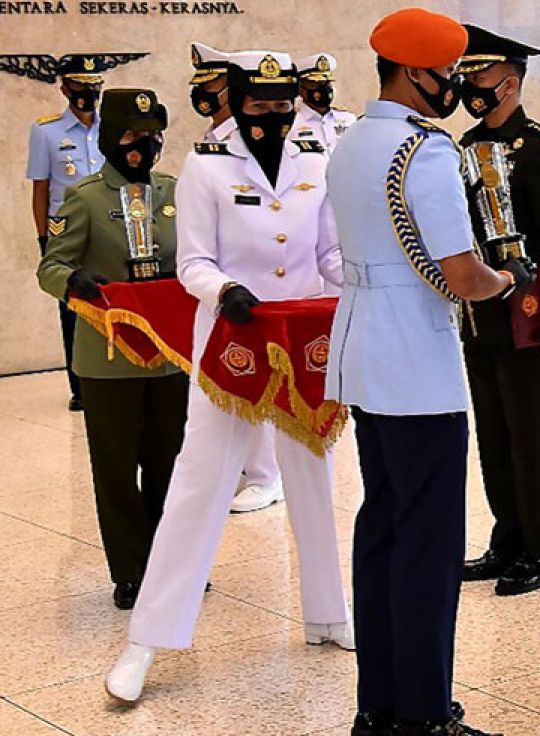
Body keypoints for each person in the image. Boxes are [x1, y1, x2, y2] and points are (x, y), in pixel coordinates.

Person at [105, 49, 353, 704]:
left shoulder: (314, 159)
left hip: (302, 344)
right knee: (198, 484)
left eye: (282, 103)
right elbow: (193, 263)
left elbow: (326, 251)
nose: (272, 116)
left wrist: (356, 285)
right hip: (232, 344)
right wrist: (224, 291)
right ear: (235, 102)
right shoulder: (204, 168)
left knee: (314, 475)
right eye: (258, 104)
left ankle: (330, 614)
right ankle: (147, 639)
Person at [325, 8, 524, 736]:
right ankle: (423, 714)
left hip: (363, 352)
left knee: (383, 526)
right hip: (413, 357)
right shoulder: (425, 152)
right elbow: (461, 274)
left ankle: (379, 703)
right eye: (449, 75)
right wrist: (506, 279)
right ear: (415, 73)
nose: (456, 89)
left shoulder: (350, 143)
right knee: (429, 541)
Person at [36, 88, 186, 611]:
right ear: (108, 140)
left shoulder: (174, 191)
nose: (141, 147)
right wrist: (73, 280)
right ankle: (131, 570)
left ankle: (170, 565)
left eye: (150, 137)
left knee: (171, 465)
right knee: (117, 469)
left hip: (170, 355)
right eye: (129, 136)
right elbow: (49, 266)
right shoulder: (84, 197)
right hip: (106, 359)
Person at [457, 24, 540, 596]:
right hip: (476, 307)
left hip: (527, 306)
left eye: (477, 75)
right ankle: (506, 538)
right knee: (493, 428)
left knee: (530, 430)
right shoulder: (463, 147)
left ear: (509, 82)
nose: (467, 85)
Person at [188, 41, 284, 515]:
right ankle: (255, 471)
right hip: (233, 298)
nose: (207, 94)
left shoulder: (299, 150)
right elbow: (196, 255)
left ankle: (267, 475)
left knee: (274, 394)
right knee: (234, 393)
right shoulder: (210, 151)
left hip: (286, 299)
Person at [27, 54, 109, 410]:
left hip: (108, 229)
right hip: (68, 233)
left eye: (93, 85)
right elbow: (41, 188)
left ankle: (112, 377)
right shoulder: (46, 131)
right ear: (64, 88)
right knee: (73, 310)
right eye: (79, 85)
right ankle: (80, 387)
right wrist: (44, 239)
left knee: (110, 301)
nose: (87, 92)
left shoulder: (113, 127)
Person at [294, 52, 358, 151]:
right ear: (300, 88)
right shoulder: (292, 122)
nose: (323, 88)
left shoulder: (348, 120)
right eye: (315, 83)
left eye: (326, 83)